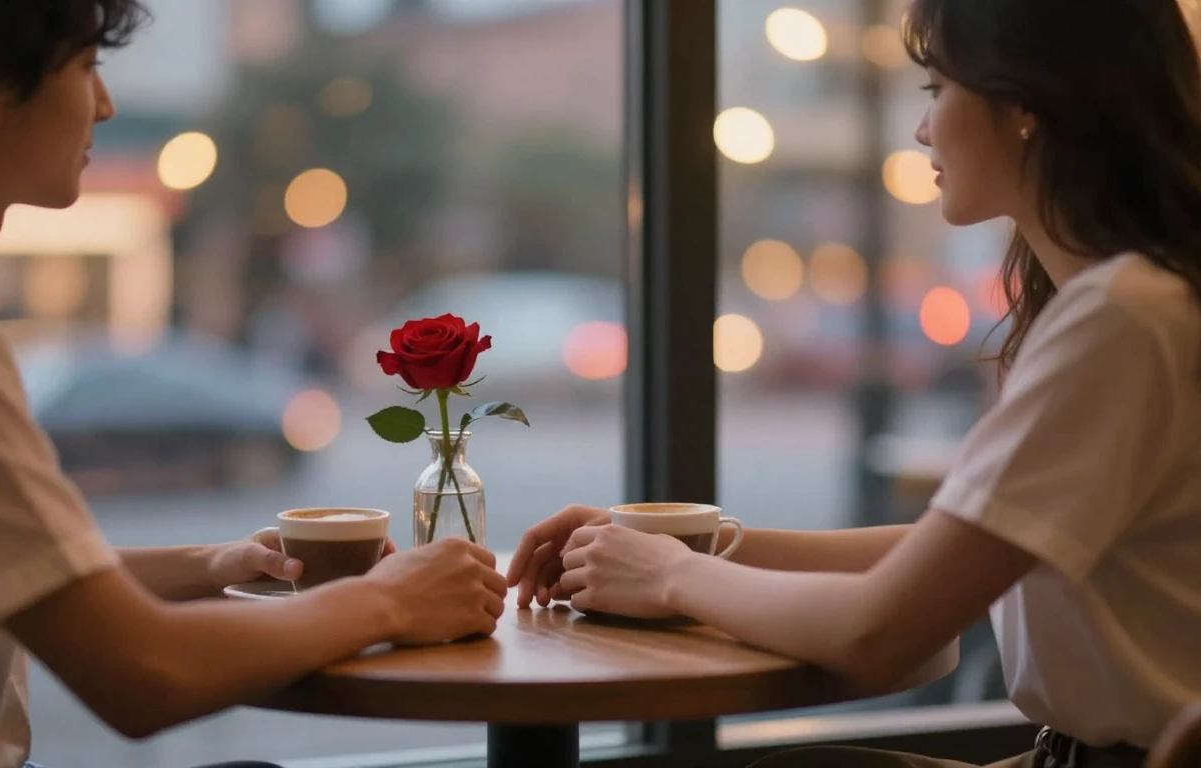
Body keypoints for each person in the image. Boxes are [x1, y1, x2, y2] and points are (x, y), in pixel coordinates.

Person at [508, 0, 1201, 766]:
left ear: (1026, 104)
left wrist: (674, 575)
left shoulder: (1125, 318)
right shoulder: (1138, 300)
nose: (922, 128)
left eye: (937, 89)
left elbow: (876, 634)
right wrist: (680, 546)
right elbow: (953, 554)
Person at [0, 2, 507, 767]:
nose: (105, 103)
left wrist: (217, 564)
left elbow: (23, 581)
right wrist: (391, 599)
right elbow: (143, 673)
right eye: (88, 67)